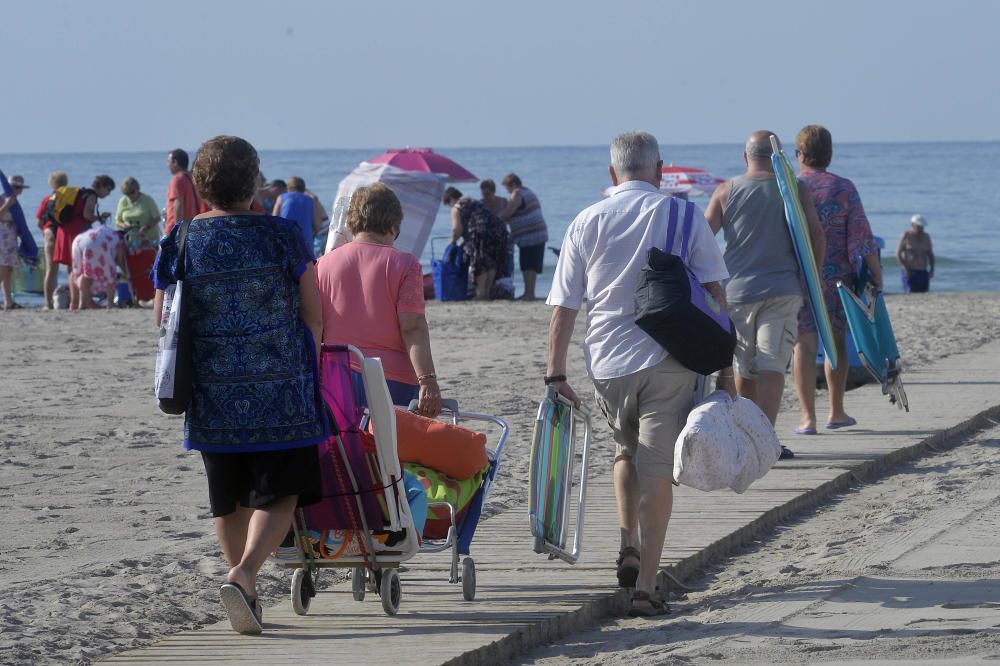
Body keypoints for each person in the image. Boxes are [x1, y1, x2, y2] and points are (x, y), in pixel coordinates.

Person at [546, 132, 730, 617]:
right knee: (656, 472)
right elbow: (714, 294)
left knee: (624, 451)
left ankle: (628, 543)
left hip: (606, 362)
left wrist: (554, 374)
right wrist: (727, 366)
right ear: (661, 169)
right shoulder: (684, 215)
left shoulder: (586, 220)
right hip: (669, 358)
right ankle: (647, 586)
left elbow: (564, 306)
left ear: (612, 174)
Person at [152, 135, 327, 635]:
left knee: (227, 496)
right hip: (281, 388)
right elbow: (313, 314)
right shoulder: (283, 235)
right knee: (281, 490)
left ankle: (246, 591)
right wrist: (306, 361)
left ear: (201, 185)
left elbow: (164, 317)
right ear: (254, 180)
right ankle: (245, 571)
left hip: (210, 389)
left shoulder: (181, 239)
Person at [705, 131, 825, 458]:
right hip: (784, 289)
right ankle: (767, 441)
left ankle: (748, 440)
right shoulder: (796, 189)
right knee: (772, 363)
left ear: (745, 157)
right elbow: (816, 234)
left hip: (738, 293)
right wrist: (810, 276)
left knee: (745, 367)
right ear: (778, 157)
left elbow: (703, 239)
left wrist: (705, 284)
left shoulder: (725, 191)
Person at [316, 183, 442, 416]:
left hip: (339, 376)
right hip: (392, 377)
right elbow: (412, 327)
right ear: (394, 224)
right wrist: (427, 380)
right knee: (391, 448)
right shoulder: (405, 264)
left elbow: (317, 324)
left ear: (352, 220)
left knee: (349, 448)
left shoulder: (324, 264)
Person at [791, 125, 883, 433]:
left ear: (800, 154)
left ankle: (807, 418)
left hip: (799, 274)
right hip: (837, 278)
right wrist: (878, 276)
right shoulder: (844, 188)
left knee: (803, 345)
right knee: (836, 342)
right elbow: (862, 238)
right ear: (829, 154)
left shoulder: (789, 187)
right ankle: (836, 411)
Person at [54, 175, 115, 310]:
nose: (108, 194)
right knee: (78, 269)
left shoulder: (81, 193)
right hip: (77, 232)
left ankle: (77, 302)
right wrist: (99, 217)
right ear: (102, 186)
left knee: (72, 268)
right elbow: (87, 215)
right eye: (108, 190)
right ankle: (78, 302)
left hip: (64, 231)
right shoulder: (91, 195)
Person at [442, 186, 510, 300]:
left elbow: (456, 229)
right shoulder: (472, 200)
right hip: (498, 231)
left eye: (448, 203)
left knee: (480, 263)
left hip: (480, 233)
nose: (450, 206)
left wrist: (452, 241)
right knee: (491, 261)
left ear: (451, 199)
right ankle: (487, 292)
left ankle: (481, 293)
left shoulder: (456, 207)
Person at [499, 173, 548, 300]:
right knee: (533, 265)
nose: (508, 192)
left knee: (527, 265)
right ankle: (530, 292)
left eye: (507, 189)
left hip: (529, 235)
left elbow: (508, 212)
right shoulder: (528, 191)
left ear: (513, 184)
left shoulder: (517, 193)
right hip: (539, 233)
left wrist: (496, 219)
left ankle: (528, 293)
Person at [71, 219, 126, 309]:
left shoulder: (106, 231)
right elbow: (120, 260)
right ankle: (110, 304)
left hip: (78, 241)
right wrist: (126, 273)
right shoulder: (118, 239)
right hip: (97, 243)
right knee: (110, 275)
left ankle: (82, 303)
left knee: (85, 274)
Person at [35, 172, 68, 309]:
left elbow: (39, 221)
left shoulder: (47, 199)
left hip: (50, 232)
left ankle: (47, 303)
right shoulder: (69, 198)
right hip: (64, 232)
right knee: (71, 267)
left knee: (50, 270)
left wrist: (45, 232)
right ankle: (74, 301)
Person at [272, 176, 326, 250]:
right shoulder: (310, 200)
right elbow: (318, 225)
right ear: (303, 188)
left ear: (288, 188)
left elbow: (273, 220)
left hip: (285, 242)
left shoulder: (281, 198)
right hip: (305, 244)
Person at [0, 175, 29, 310]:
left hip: (10, 237)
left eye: (20, 188)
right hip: (2, 237)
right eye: (17, 187)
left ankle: (8, 301)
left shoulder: (14, 201)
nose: (20, 191)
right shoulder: (2, 198)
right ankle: (8, 301)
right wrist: (7, 204)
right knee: (4, 269)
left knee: (8, 269)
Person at [115, 177, 161, 250]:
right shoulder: (123, 201)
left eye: (132, 192)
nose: (130, 196)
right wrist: (123, 225)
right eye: (127, 193)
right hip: (130, 241)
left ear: (137, 189)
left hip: (149, 240)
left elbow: (157, 218)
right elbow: (117, 221)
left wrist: (147, 227)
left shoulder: (147, 200)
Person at [164, 148, 201, 235]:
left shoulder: (177, 179)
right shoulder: (191, 178)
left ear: (175, 162)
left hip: (176, 230)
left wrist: (178, 231)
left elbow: (178, 204)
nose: (168, 165)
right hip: (191, 226)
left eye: (169, 161)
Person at [897, 214, 934, 293]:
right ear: (913, 225)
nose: (921, 229)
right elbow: (898, 254)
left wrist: (932, 269)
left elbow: (930, 255)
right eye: (918, 227)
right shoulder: (906, 236)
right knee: (910, 293)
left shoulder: (926, 237)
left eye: (922, 227)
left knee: (924, 294)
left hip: (923, 271)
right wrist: (906, 268)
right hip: (910, 271)